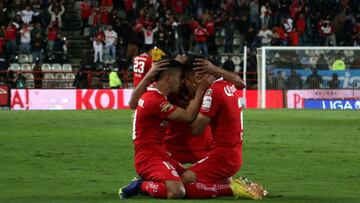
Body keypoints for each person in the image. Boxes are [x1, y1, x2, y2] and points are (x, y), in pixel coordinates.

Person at [120, 60, 213, 199]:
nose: (182, 82)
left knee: (191, 179)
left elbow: (133, 103)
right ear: (169, 79)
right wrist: (201, 90)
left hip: (160, 153)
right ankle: (141, 185)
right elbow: (188, 117)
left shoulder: (155, 92)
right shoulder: (155, 100)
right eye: (180, 78)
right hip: (149, 158)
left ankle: (149, 184)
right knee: (177, 191)